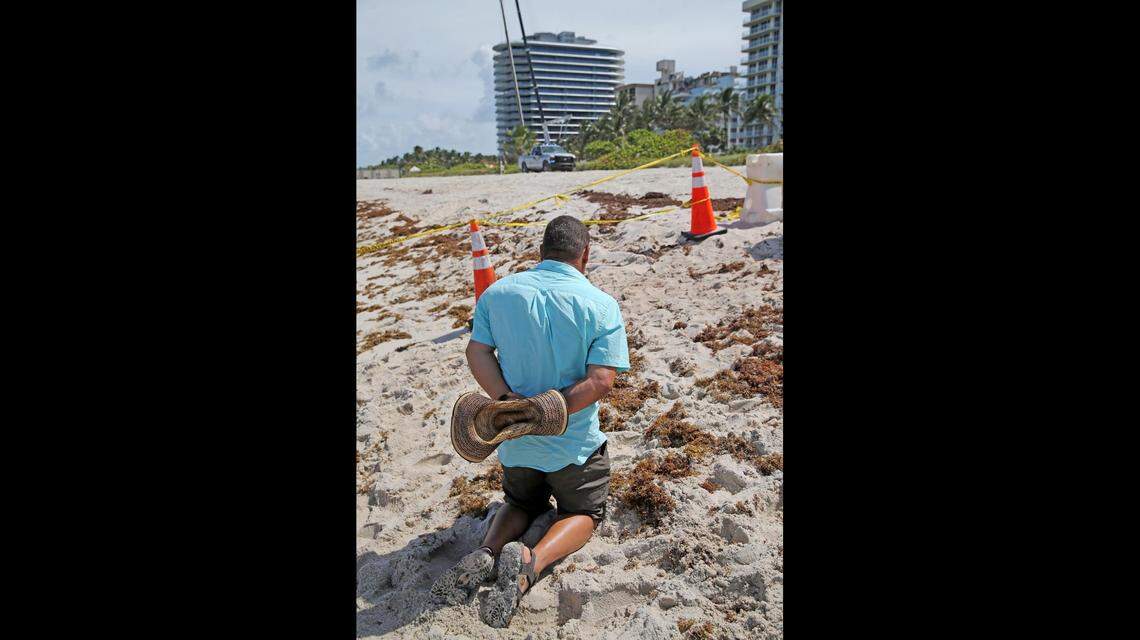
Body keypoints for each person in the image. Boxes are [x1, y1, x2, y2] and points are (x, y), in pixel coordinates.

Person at [430, 215, 629, 627]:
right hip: (573, 444)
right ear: (585, 255)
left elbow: (477, 352)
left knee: (520, 502)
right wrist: (550, 410)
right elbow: (600, 380)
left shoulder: (497, 293)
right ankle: (529, 564)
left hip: (514, 437)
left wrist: (508, 401)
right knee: (583, 512)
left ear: (540, 253)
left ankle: (487, 552)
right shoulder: (601, 303)